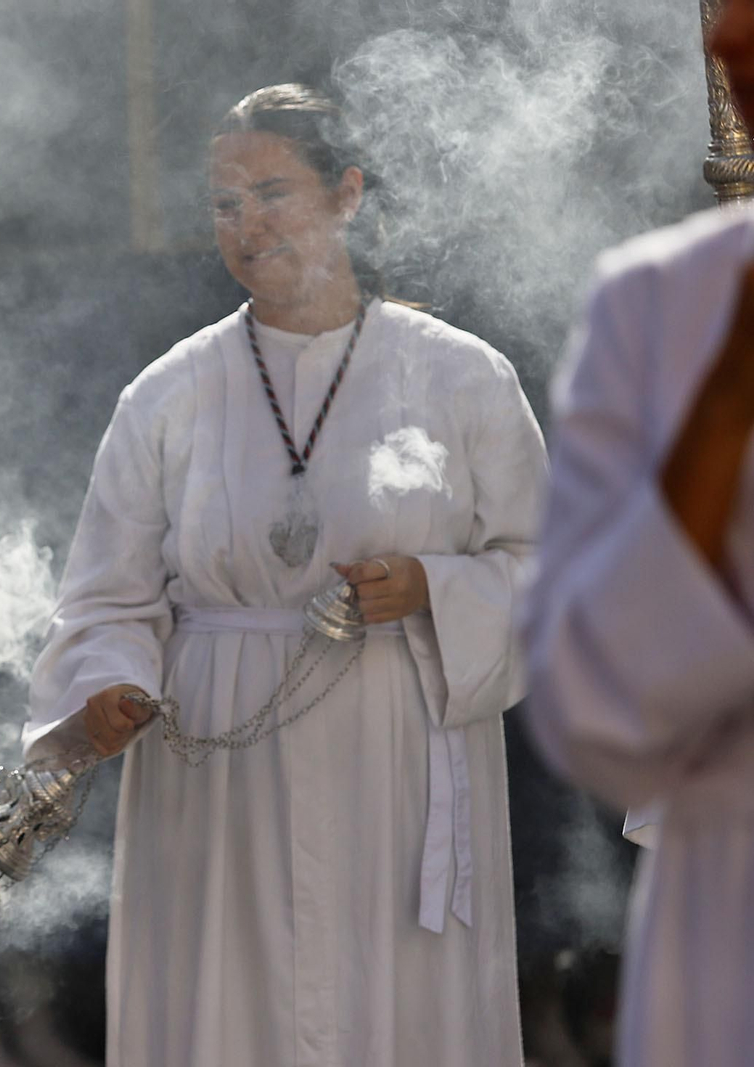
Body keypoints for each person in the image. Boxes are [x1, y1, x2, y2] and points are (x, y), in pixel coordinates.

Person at [25, 84, 547, 1066]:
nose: (245, 224)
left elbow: (548, 571)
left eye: (272, 193)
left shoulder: (461, 375)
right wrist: (105, 686)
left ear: (346, 193)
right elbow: (108, 593)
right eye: (224, 204)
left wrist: (434, 584)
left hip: (391, 755)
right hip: (218, 774)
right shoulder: (168, 393)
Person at [521, 3, 754, 1063]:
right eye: (726, 32)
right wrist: (725, 394)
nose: (724, 53)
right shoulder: (656, 303)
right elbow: (591, 708)